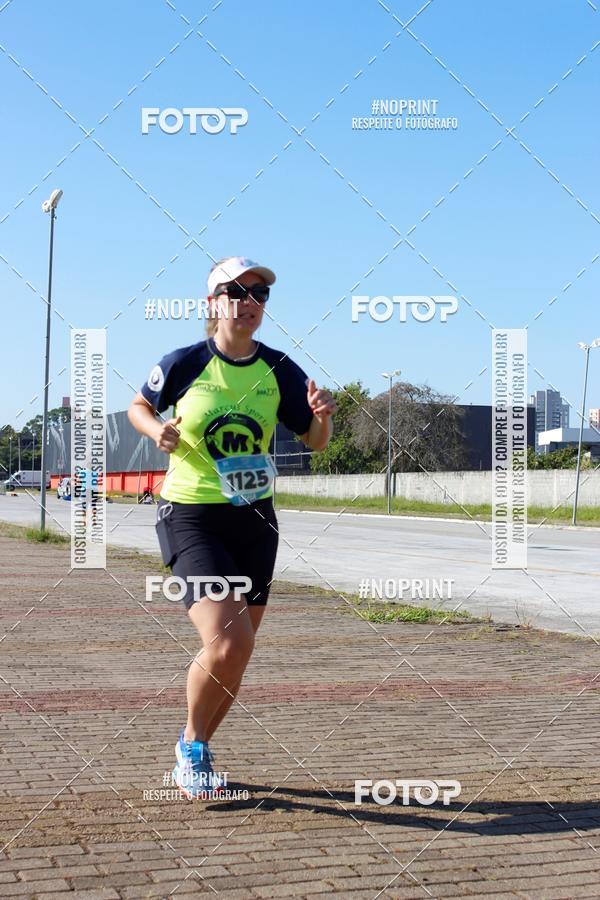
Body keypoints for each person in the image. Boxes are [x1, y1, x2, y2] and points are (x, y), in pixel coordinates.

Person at [128, 256, 336, 799]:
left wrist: (324, 417)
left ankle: (195, 748)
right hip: (192, 515)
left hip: (255, 520)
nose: (250, 302)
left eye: (260, 294)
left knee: (238, 653)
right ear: (213, 303)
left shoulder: (280, 369)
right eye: (237, 292)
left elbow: (313, 442)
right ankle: (191, 749)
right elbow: (137, 406)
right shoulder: (185, 362)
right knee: (227, 640)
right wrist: (157, 431)